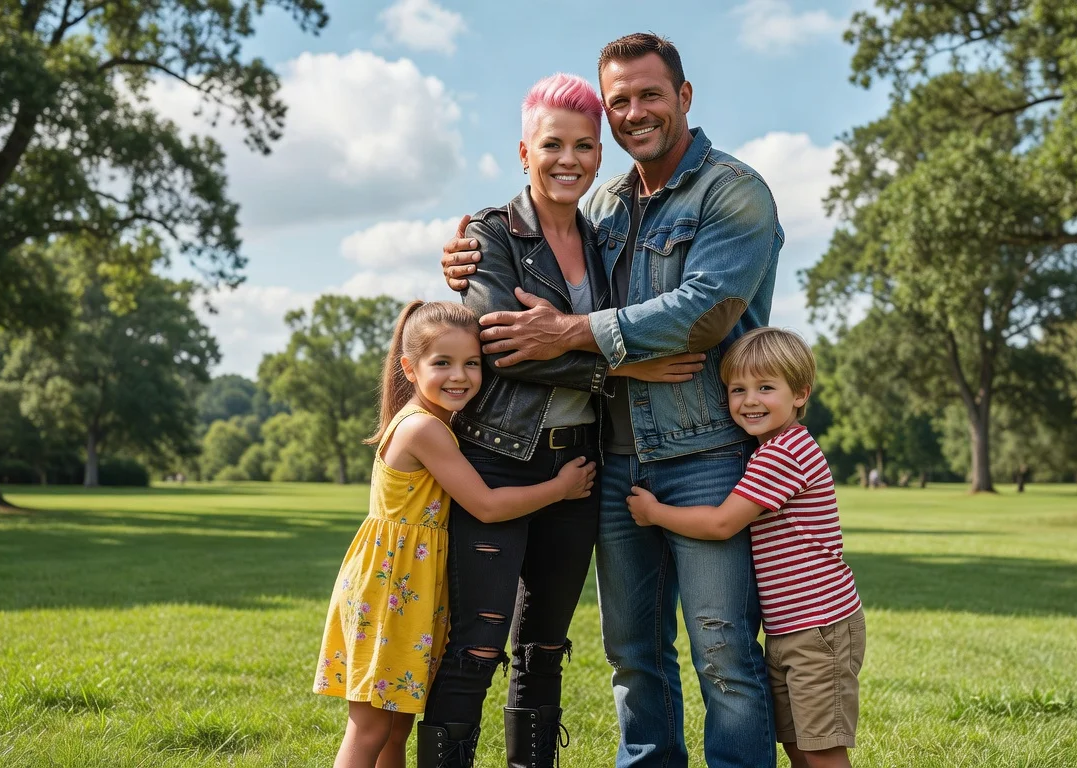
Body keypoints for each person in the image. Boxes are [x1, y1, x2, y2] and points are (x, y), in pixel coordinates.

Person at [441, 33, 783, 768]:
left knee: (723, 654)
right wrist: (471, 250)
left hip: (705, 450)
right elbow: (536, 246)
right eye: (619, 100)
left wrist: (570, 332)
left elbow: (706, 311)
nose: (635, 112)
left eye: (650, 94)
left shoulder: (733, 190)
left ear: (684, 96)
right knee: (633, 656)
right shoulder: (605, 204)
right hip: (617, 458)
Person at [417, 73, 703, 768]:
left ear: (600, 154)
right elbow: (501, 348)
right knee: (476, 646)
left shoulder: (606, 240)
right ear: (525, 152)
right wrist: (619, 370)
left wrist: (586, 347)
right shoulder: (492, 233)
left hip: (578, 467)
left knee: (544, 648)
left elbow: (601, 327)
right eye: (552, 145)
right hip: (497, 457)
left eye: (583, 146)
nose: (568, 160)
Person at [312, 300, 596, 768]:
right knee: (371, 727)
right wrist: (559, 489)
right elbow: (486, 505)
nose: (459, 376)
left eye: (471, 364)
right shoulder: (424, 429)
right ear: (410, 368)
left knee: (397, 727)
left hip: (411, 589)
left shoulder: (438, 422)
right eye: (442, 363)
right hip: (391, 591)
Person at [627, 328, 866, 768]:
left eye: (765, 388)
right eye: (738, 389)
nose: (750, 400)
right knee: (797, 745)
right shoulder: (769, 449)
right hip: (790, 628)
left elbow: (722, 524)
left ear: (800, 394)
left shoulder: (784, 453)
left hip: (819, 627)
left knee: (821, 750)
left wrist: (655, 513)